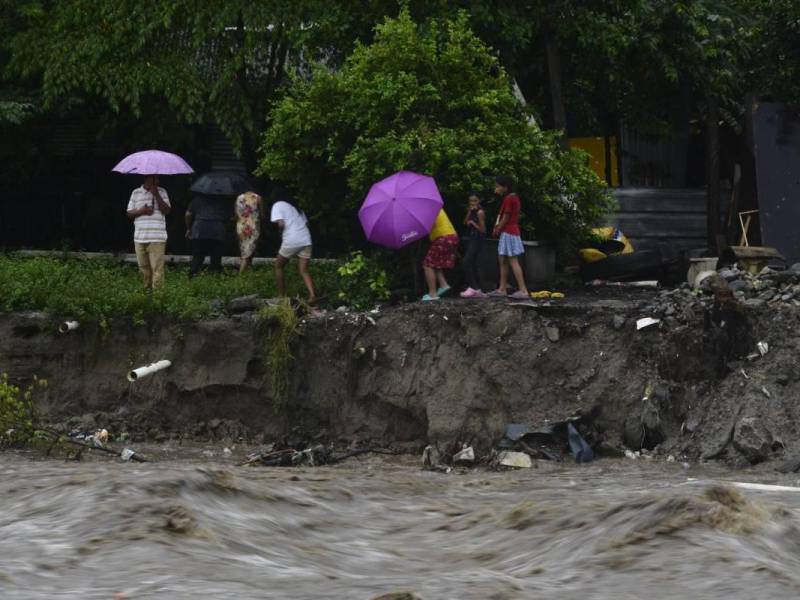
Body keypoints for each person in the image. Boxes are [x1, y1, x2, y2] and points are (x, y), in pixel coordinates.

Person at [126, 175, 171, 291]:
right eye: (155, 179)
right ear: (147, 178)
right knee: (143, 268)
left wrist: (156, 194)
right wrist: (142, 211)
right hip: (139, 237)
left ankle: (158, 298)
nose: (158, 181)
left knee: (157, 269)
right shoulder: (136, 192)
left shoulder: (162, 191)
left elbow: (166, 210)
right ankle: (146, 294)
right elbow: (129, 213)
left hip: (157, 237)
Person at [270, 188, 315, 302]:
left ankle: (281, 296)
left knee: (278, 266)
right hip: (306, 238)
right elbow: (307, 224)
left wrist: (280, 233)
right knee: (303, 270)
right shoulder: (296, 208)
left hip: (292, 239)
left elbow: (280, 224)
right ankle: (312, 295)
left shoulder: (277, 205)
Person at [488, 176, 529, 299]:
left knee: (512, 261)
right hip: (510, 232)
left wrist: (498, 228)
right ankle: (502, 288)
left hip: (508, 232)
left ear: (505, 187)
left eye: (498, 186)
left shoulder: (509, 199)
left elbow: (506, 216)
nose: (496, 188)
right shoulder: (513, 197)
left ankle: (523, 290)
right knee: (504, 260)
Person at [185, 193, 228, 276]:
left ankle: (192, 275)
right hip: (217, 231)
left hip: (199, 230)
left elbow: (188, 214)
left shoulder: (196, 200)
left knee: (198, 256)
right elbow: (227, 216)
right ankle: (213, 277)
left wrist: (188, 228)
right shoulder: (222, 201)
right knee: (216, 257)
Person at [422, 209, 459, 301]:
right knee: (435, 262)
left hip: (443, 238)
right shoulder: (434, 207)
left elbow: (428, 226)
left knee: (427, 264)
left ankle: (432, 294)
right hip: (451, 236)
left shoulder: (427, 211)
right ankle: (443, 285)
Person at [460, 192, 487, 298]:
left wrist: (473, 224)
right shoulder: (471, 211)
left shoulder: (480, 212)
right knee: (473, 263)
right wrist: (469, 213)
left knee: (466, 262)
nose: (473, 203)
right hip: (472, 238)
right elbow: (464, 222)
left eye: (475, 200)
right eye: (471, 201)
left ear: (479, 201)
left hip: (478, 239)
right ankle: (477, 289)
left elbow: (483, 230)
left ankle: (475, 288)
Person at [235, 191, 265, 273]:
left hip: (241, 226)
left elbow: (236, 213)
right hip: (252, 227)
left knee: (245, 250)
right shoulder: (258, 198)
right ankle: (240, 277)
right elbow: (262, 215)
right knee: (248, 252)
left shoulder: (239, 197)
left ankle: (248, 272)